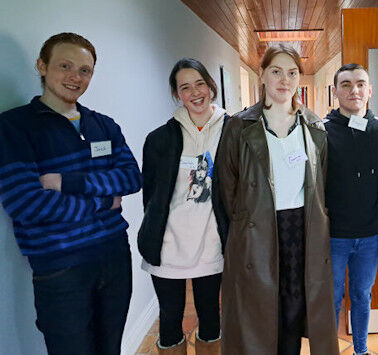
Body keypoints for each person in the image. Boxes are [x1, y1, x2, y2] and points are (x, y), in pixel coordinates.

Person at [0, 32, 142, 354]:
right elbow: (27, 203)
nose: (75, 77)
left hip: (115, 258)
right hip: (61, 269)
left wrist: (68, 183)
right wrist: (105, 201)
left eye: (85, 70)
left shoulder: (103, 125)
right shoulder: (14, 128)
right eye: (65, 65)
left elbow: (132, 177)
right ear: (42, 66)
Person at [217, 44, 339, 355]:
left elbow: (319, 183)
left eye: (291, 73)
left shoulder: (313, 127)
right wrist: (249, 222)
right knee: (260, 310)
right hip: (257, 230)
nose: (284, 80)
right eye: (276, 71)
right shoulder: (240, 126)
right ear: (262, 75)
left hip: (301, 231)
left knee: (294, 307)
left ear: (299, 77)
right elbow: (227, 187)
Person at [138, 58, 229, 355]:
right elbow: (151, 196)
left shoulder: (233, 130)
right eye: (185, 87)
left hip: (211, 243)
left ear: (211, 86)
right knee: (170, 318)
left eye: (200, 83)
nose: (195, 93)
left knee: (210, 315)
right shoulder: (159, 139)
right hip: (168, 244)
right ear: (177, 95)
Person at [324, 63, 378, 355]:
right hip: (334, 235)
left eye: (360, 84)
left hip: (368, 234)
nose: (354, 90)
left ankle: (361, 350)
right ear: (336, 91)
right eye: (346, 84)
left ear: (369, 90)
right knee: (332, 298)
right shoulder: (322, 131)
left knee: (362, 296)